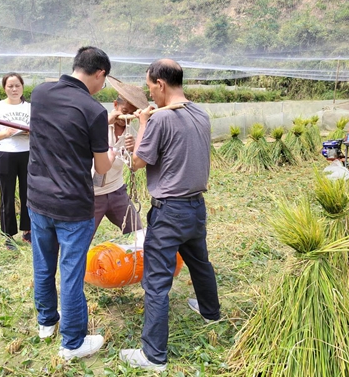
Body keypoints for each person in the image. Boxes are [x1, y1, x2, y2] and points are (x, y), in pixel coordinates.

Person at [119, 59, 221, 371]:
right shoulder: (199, 113)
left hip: (169, 211)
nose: (150, 95)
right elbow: (171, 153)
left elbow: (137, 162)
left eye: (150, 88)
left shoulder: (161, 120)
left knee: (156, 281)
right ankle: (210, 311)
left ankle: (153, 355)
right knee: (199, 262)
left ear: (160, 84)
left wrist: (144, 124)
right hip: (195, 206)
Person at [27, 46, 115, 360]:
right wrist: (114, 152)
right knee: (71, 273)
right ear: (100, 74)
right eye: (104, 81)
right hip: (73, 206)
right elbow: (103, 167)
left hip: (37, 198)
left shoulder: (40, 93)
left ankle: (46, 323)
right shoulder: (94, 110)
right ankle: (73, 343)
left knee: (43, 265)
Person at [92, 76, 149, 238]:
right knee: (83, 238)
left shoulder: (132, 132)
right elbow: (82, 144)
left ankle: (137, 262)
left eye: (132, 114)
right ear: (115, 105)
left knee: (136, 231)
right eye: (124, 112)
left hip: (117, 191)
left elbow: (134, 166)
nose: (126, 118)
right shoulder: (98, 123)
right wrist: (104, 125)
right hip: (93, 194)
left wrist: (133, 149)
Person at [0, 72, 31, 250]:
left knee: (28, 194)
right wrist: (6, 133)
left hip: (27, 154)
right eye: (10, 86)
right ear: (4, 88)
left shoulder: (30, 107)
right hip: (6, 154)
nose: (14, 89)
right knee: (7, 195)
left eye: (17, 85)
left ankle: (28, 231)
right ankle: (9, 235)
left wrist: (29, 132)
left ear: (22, 87)